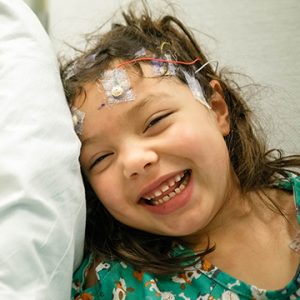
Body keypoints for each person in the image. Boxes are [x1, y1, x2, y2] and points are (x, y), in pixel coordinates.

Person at [61, 2, 300, 299]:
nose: (135, 161)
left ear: (216, 109)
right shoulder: (110, 288)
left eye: (156, 121)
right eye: (101, 158)